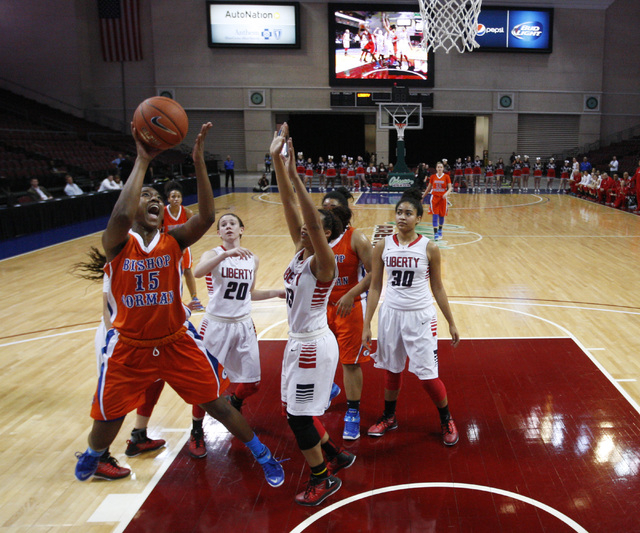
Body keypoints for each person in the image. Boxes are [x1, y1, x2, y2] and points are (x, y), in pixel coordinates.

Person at [74, 122, 285, 489]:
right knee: (108, 414)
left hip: (175, 340)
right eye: (147, 196)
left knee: (217, 403)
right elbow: (122, 216)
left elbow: (205, 216)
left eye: (159, 197)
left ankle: (261, 452)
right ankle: (95, 452)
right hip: (129, 344)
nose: (155, 200)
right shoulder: (117, 243)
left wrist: (199, 161)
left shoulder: (173, 241)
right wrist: (142, 161)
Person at [270, 123, 354, 506]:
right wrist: (277, 159)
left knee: (297, 419)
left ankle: (322, 479)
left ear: (325, 233)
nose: (304, 228)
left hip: (312, 347)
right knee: (294, 409)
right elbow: (291, 208)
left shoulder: (324, 263)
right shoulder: (300, 250)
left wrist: (295, 174)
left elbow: (304, 209)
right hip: (299, 342)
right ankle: (335, 456)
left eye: (313, 226)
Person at [362, 188, 461, 446]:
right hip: (391, 315)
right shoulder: (383, 245)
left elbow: (437, 287)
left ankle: (446, 418)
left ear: (419, 218)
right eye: (399, 212)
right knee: (392, 370)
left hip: (420, 316)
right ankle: (389, 417)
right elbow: (375, 286)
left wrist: (451, 321)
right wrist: (367, 324)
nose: (402, 217)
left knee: (428, 375)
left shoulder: (429, 248)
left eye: (408, 213)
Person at [188, 213, 285, 458]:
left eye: (232, 223)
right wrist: (225, 254)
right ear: (219, 233)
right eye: (223, 225)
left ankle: (235, 403)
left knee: (252, 383)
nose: (228, 226)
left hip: (243, 324)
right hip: (216, 325)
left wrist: (275, 292)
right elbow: (198, 273)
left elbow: (248, 293)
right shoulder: (213, 254)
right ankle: (196, 430)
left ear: (242, 229)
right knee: (205, 385)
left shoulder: (253, 258)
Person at [72, 248, 167, 480]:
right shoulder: (118, 264)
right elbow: (107, 308)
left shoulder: (157, 258)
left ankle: (139, 437)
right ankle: (98, 457)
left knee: (156, 380)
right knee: (115, 396)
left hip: (145, 337)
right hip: (118, 339)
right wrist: (116, 337)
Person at [321, 188, 373, 441]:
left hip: (349, 307)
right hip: (321, 307)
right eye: (324, 208)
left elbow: (375, 274)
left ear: (343, 212)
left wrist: (351, 294)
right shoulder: (317, 238)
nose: (326, 212)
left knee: (349, 362)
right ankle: (329, 388)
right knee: (321, 356)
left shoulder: (356, 238)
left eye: (332, 208)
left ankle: (353, 412)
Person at [163, 180, 204, 311]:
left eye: (178, 197)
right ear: (168, 199)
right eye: (173, 196)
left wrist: (186, 246)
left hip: (184, 246)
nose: (176, 199)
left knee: (187, 271)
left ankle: (195, 299)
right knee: (170, 274)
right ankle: (172, 301)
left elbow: (192, 231)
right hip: (167, 248)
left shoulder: (187, 212)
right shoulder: (162, 213)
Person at [422, 162, 453, 241]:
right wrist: (423, 196)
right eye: (438, 167)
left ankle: (440, 230)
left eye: (441, 167)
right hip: (434, 198)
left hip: (443, 198)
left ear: (443, 168)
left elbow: (450, 188)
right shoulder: (433, 177)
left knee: (441, 216)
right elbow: (429, 188)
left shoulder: (446, 176)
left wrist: (446, 193)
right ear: (436, 168)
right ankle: (435, 233)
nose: (439, 168)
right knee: (435, 215)